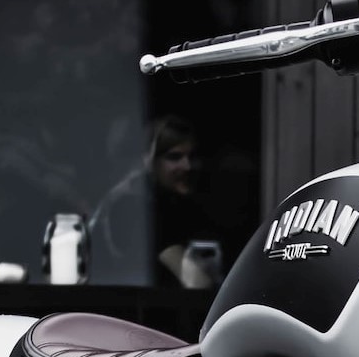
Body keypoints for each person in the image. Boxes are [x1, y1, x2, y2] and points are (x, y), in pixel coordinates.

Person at [87, 114, 248, 289]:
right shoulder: (133, 206)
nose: (187, 166)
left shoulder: (171, 203)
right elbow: (196, 281)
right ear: (150, 160)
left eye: (192, 156)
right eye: (174, 157)